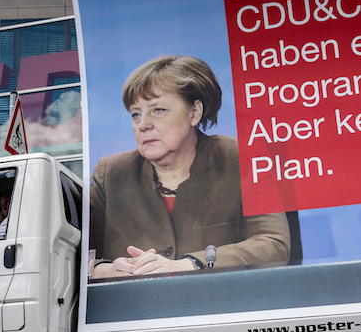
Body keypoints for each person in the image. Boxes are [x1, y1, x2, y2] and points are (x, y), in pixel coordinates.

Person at [89, 55, 290, 279]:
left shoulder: (240, 158)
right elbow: (78, 256)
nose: (143, 124)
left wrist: (190, 264)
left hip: (220, 308)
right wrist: (105, 269)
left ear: (194, 113)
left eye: (158, 110)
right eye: (136, 114)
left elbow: (274, 245)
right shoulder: (110, 174)